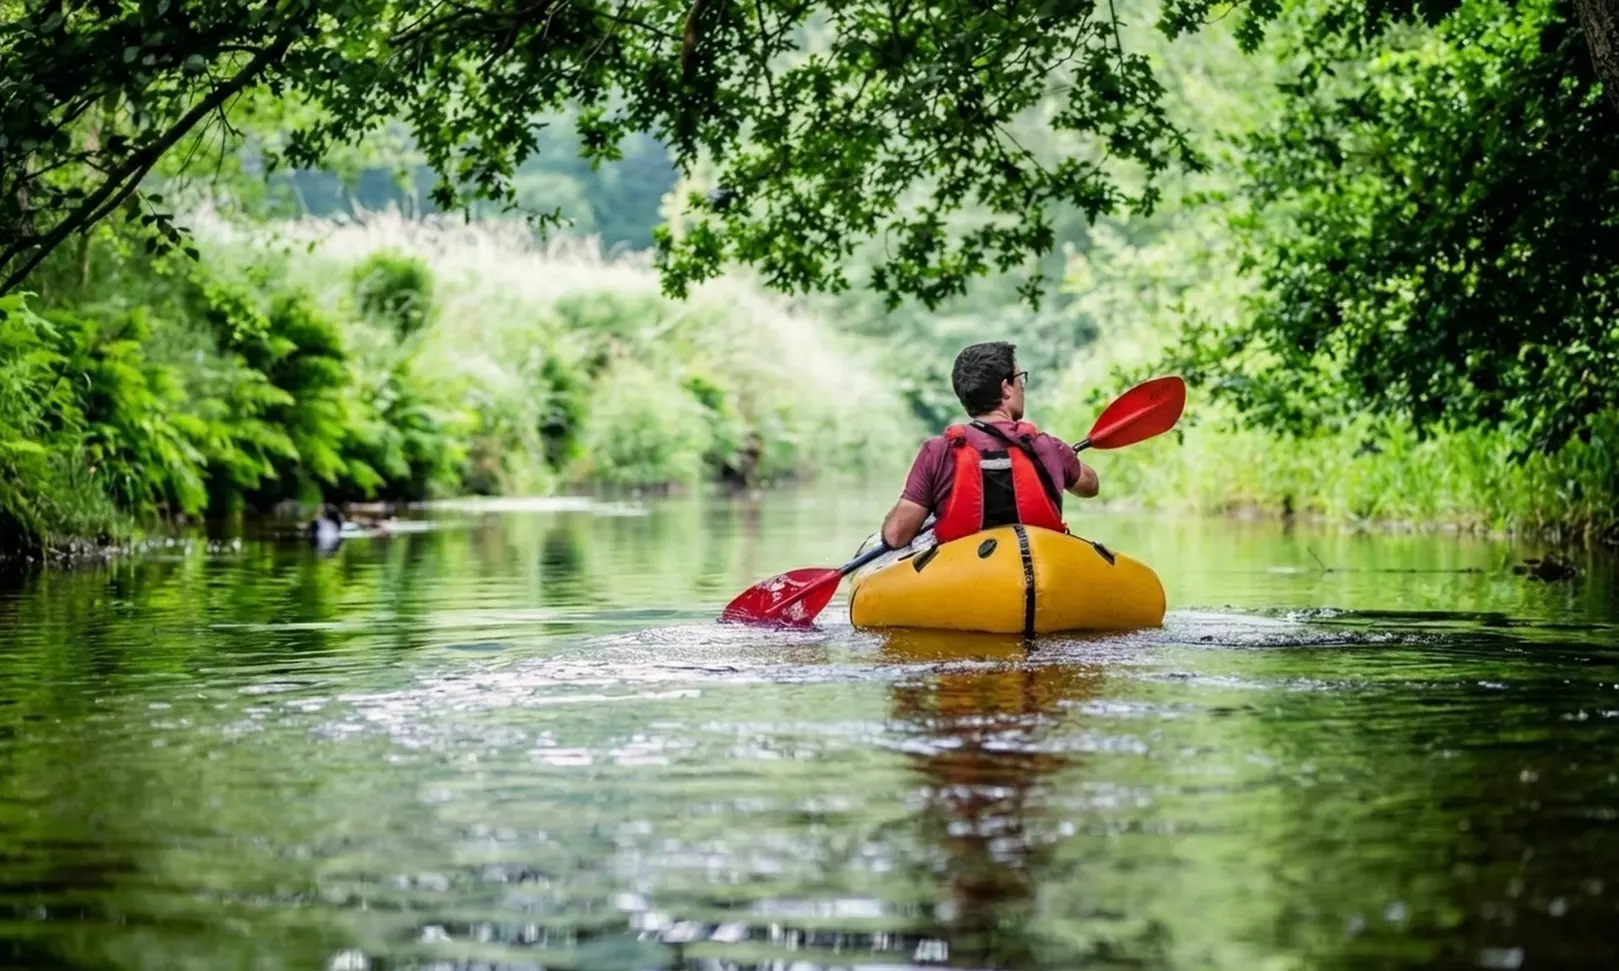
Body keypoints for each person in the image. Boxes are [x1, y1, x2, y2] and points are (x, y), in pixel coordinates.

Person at [880, 341, 1099, 550]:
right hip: (1037, 575)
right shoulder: (1048, 447)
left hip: (964, 577)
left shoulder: (937, 451)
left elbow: (897, 534)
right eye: (1019, 379)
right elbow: (1090, 486)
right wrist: (1065, 458)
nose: (1022, 387)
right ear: (1006, 388)